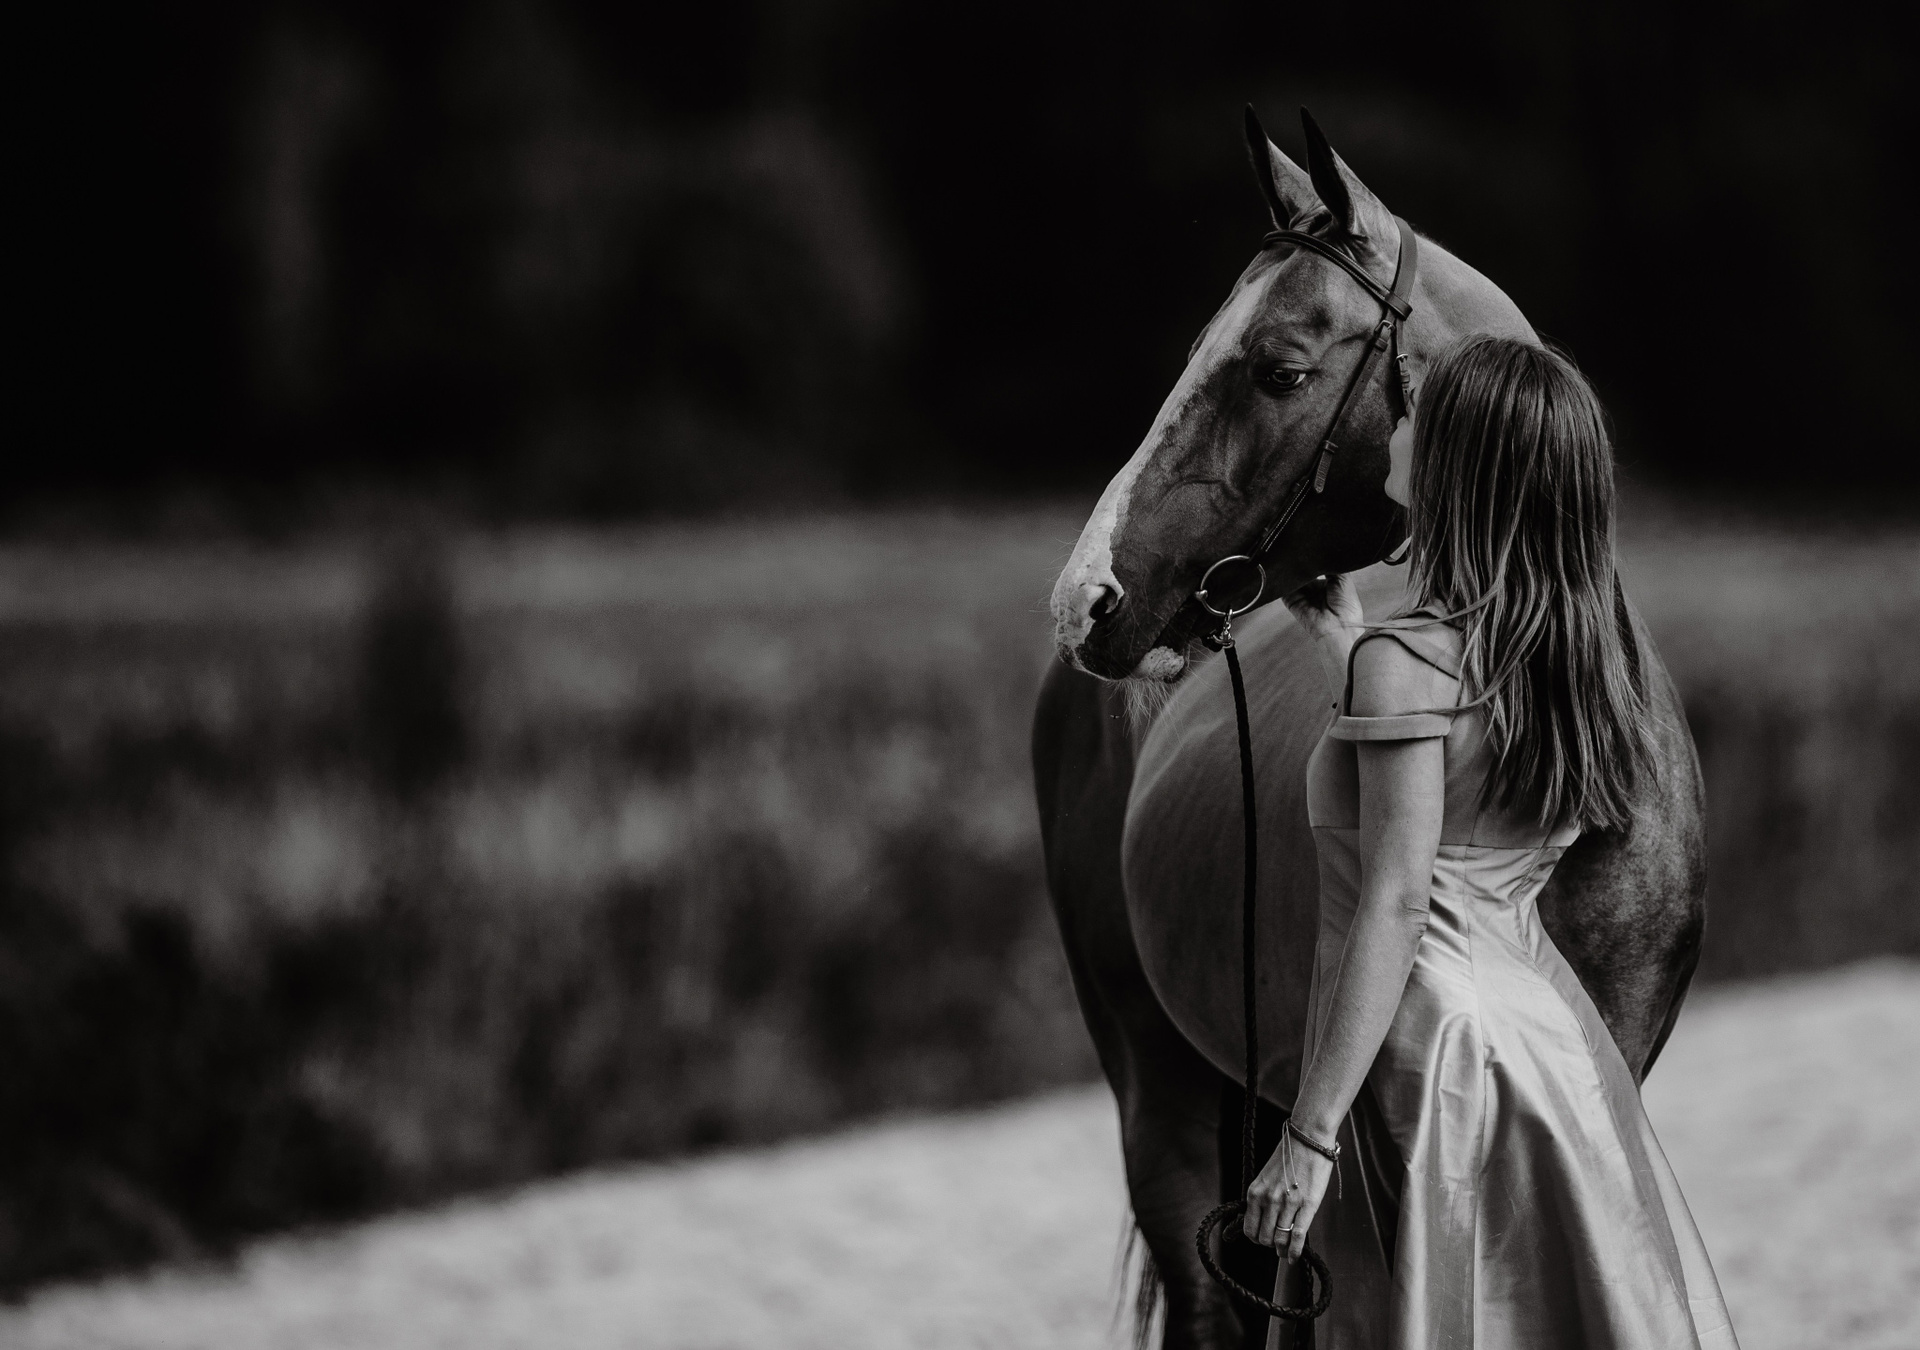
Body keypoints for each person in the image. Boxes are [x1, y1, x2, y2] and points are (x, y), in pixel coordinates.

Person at [1245, 334, 1738, 1348]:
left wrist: (1309, 1132)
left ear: (1456, 466)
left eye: (1416, 418)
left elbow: (1399, 898)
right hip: (1545, 1037)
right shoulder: (1572, 664)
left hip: (1427, 1045)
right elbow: (1465, 799)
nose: (1395, 431)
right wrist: (1345, 650)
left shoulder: (1406, 659)